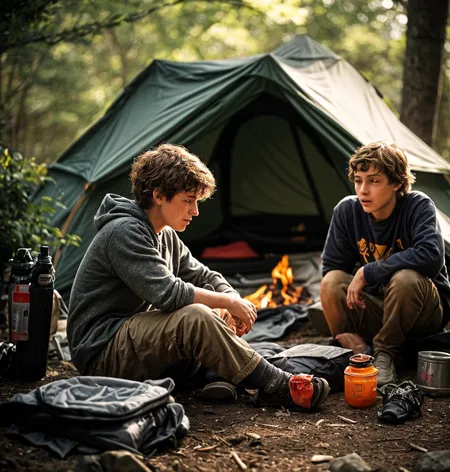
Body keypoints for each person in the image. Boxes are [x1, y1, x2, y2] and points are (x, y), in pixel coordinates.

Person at [67, 143, 330, 410]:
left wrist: (229, 297)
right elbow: (168, 293)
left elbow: (203, 274)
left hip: (132, 343)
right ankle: (275, 385)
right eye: (188, 201)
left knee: (214, 309)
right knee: (197, 315)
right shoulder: (124, 231)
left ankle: (218, 375)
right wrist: (227, 304)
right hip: (102, 353)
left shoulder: (164, 233)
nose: (195, 211)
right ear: (159, 195)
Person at [320, 142, 450, 385]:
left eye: (373, 181)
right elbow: (332, 268)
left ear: (396, 183)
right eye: (358, 180)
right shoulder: (347, 211)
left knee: (405, 278)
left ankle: (385, 353)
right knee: (332, 282)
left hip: (423, 310)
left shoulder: (417, 205)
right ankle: (353, 347)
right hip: (376, 305)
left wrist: (369, 271)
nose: (363, 190)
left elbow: (431, 256)